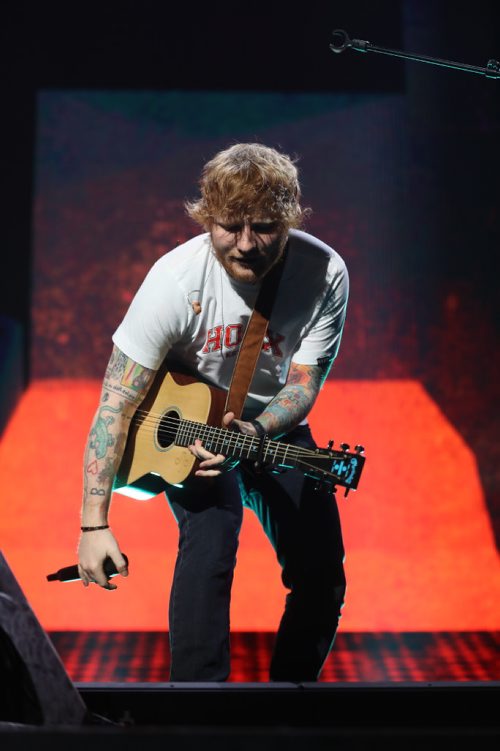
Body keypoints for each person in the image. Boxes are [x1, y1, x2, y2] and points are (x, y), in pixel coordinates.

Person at [77, 142, 349, 682]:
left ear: (291, 220)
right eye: (230, 226)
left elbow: (303, 383)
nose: (246, 244)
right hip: (188, 430)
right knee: (212, 541)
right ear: (206, 219)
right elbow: (116, 403)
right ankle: (198, 710)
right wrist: (94, 523)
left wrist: (257, 428)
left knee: (321, 572)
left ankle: (289, 709)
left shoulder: (325, 273)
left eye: (265, 227)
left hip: (267, 422)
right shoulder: (174, 281)